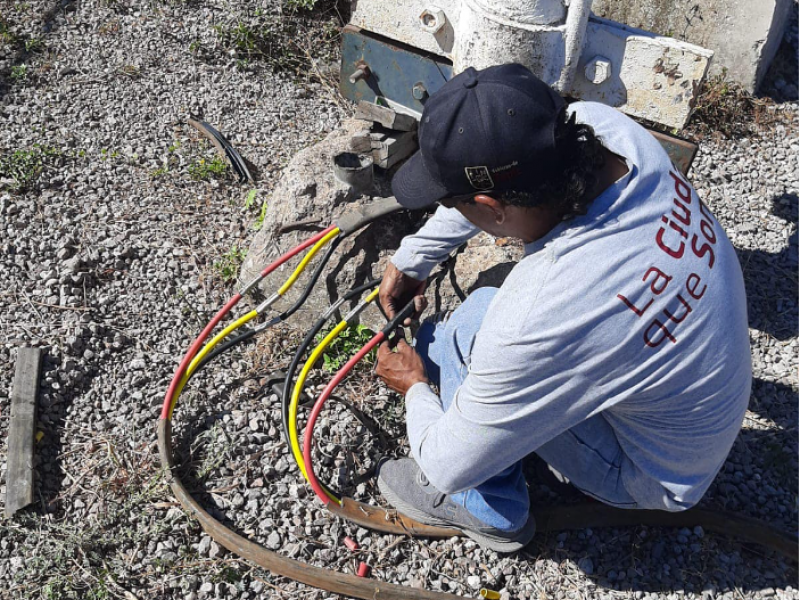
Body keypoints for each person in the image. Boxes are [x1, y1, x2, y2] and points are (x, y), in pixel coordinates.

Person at [373, 63, 751, 553]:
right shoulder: (607, 133)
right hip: (698, 420)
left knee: (473, 330)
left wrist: (415, 387)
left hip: (653, 476)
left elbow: (445, 461)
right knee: (485, 324)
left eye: (454, 200)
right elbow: (495, 198)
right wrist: (415, 258)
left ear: (491, 208)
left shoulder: (545, 310)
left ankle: (487, 509)